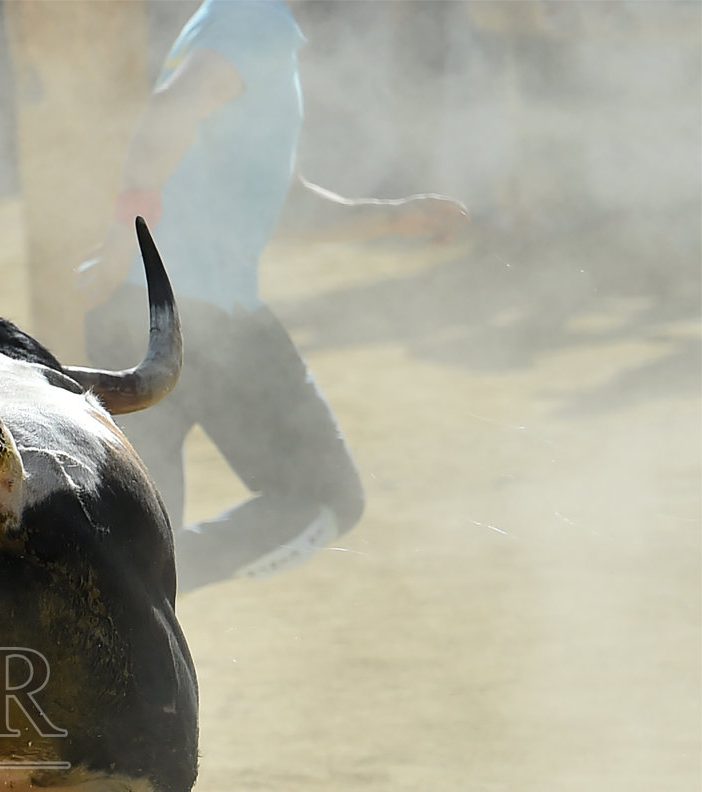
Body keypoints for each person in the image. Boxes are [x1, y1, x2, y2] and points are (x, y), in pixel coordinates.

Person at [79, 0, 467, 595]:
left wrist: (393, 219)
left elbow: (283, 202)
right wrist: (119, 238)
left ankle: (141, 591)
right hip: (192, 320)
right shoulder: (254, 17)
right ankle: (150, 591)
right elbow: (168, 113)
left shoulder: (235, 20)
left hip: (149, 312)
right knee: (327, 496)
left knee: (137, 539)